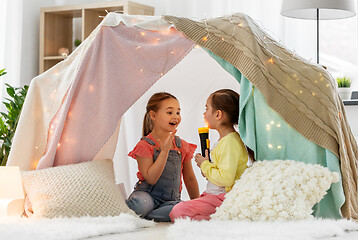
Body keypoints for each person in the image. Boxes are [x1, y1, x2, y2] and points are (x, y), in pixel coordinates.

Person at [169, 89, 249, 221]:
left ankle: (224, 217)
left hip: (224, 198)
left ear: (218, 114)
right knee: (178, 210)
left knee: (178, 211)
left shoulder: (230, 142)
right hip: (213, 196)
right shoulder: (224, 141)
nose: (204, 113)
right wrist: (207, 169)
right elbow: (220, 173)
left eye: (207, 108)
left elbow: (227, 179)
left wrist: (205, 165)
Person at [126, 92, 200, 222]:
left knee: (184, 209)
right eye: (169, 112)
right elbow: (151, 178)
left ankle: (150, 216)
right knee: (140, 204)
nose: (175, 117)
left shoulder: (181, 145)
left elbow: (189, 178)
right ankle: (148, 212)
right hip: (147, 196)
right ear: (153, 115)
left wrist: (197, 204)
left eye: (178, 112)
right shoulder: (145, 145)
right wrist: (164, 151)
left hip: (171, 200)